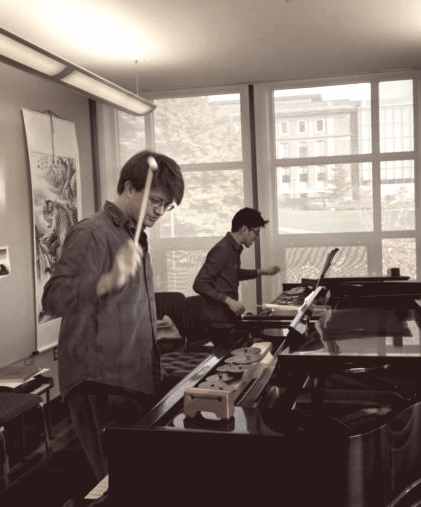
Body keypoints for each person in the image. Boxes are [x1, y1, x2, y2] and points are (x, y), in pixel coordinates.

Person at [41, 150, 184, 486]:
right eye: (156, 201)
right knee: (116, 482)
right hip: (99, 381)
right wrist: (107, 280)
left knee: (136, 478)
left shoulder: (132, 235)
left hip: (129, 376)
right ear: (130, 188)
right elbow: (53, 297)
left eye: (167, 205)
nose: (160, 212)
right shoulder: (93, 233)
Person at [193, 207, 280, 347]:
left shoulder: (234, 248)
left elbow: (233, 274)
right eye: (256, 233)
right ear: (244, 229)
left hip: (226, 318)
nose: (257, 238)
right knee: (241, 357)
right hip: (218, 321)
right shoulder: (223, 249)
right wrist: (229, 301)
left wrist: (262, 271)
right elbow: (199, 283)